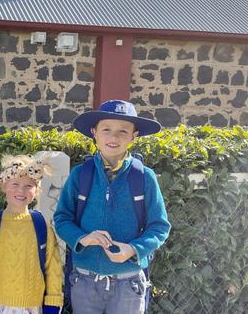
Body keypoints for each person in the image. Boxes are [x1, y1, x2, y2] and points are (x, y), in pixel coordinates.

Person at [53, 100, 171, 314]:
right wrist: (82, 238)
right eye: (106, 129)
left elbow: (159, 226)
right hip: (84, 280)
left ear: (134, 136)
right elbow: (62, 218)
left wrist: (134, 249)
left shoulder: (144, 178)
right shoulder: (81, 175)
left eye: (122, 131)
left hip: (129, 283)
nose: (114, 137)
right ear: (94, 133)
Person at [0, 155, 63, 314]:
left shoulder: (41, 226)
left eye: (28, 186)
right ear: (4, 185)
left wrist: (52, 302)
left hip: (32, 307)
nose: (21, 190)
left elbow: (53, 266)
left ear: (37, 190)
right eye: (15, 184)